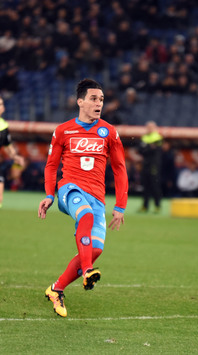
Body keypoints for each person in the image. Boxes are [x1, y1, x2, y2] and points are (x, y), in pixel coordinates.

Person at [38, 79, 128, 318]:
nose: (98, 103)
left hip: (97, 197)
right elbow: (51, 165)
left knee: (95, 249)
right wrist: (49, 194)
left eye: (101, 100)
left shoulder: (108, 132)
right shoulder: (63, 130)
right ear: (80, 102)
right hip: (70, 190)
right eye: (93, 99)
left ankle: (56, 289)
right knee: (85, 215)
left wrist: (120, 205)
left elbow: (120, 169)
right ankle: (88, 271)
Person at [0, 96, 25, 208]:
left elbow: (7, 145)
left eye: (2, 104)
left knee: (0, 197)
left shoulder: (4, 125)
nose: (2, 107)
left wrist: (15, 156)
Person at [138, 121, 163, 213]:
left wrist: (146, 148)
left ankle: (157, 206)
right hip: (145, 165)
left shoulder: (157, 137)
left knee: (155, 185)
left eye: (151, 127)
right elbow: (140, 150)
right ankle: (145, 206)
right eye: (148, 127)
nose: (149, 129)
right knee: (145, 186)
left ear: (155, 128)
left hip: (154, 165)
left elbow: (148, 150)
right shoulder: (144, 137)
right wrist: (148, 148)